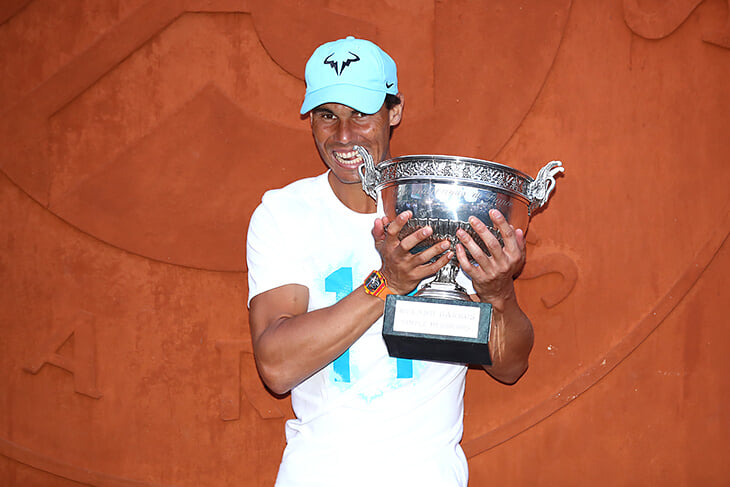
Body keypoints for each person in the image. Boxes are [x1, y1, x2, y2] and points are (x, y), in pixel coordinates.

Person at [246, 36, 533, 487]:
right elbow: (276, 368)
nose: (344, 135)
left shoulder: (449, 209)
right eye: (328, 115)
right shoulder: (284, 214)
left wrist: (499, 294)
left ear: (394, 112)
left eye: (361, 113)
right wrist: (387, 283)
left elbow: (510, 368)